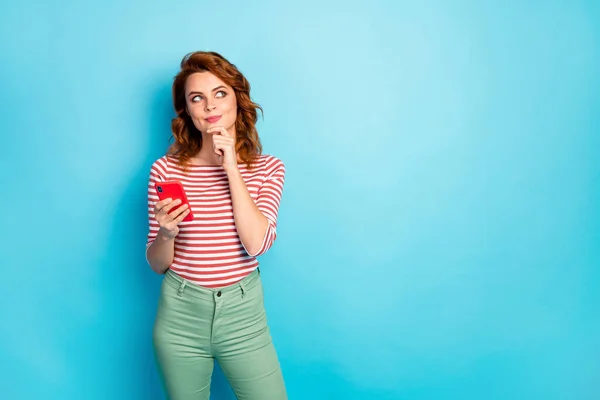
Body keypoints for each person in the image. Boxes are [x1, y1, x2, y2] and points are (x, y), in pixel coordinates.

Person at [145, 51, 287, 400]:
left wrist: (232, 169)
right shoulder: (166, 171)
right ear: (188, 111)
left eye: (219, 93)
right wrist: (166, 232)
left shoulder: (269, 169)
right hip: (180, 317)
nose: (209, 105)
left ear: (237, 99)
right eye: (197, 98)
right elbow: (157, 263)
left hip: (244, 318)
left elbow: (256, 244)